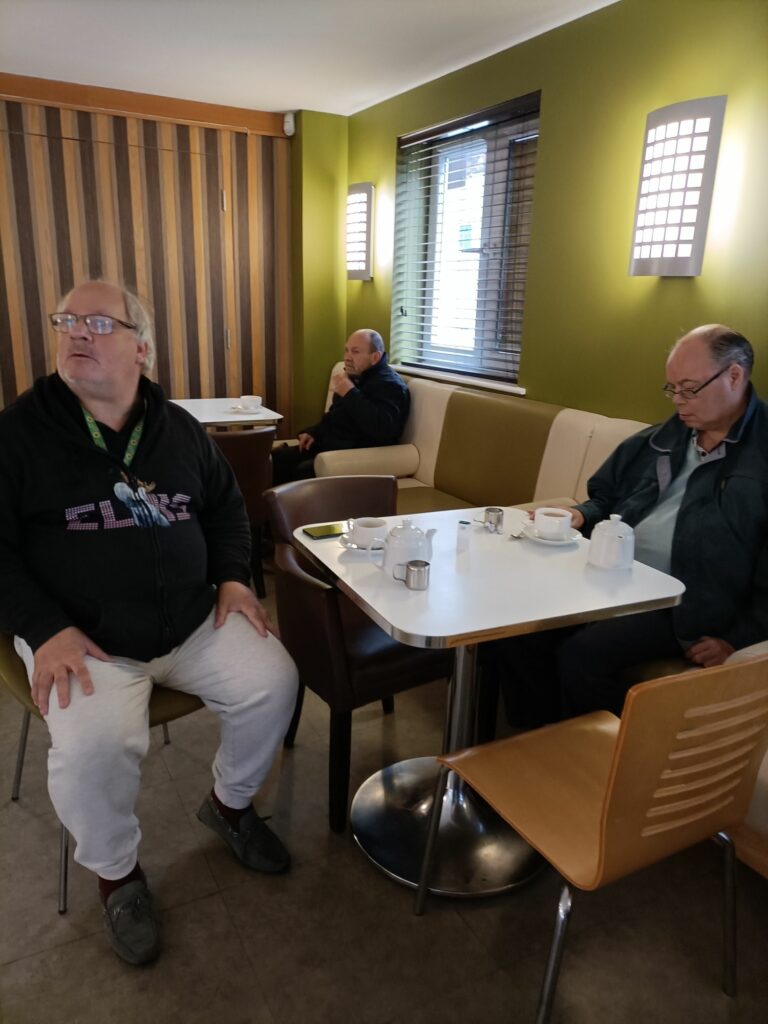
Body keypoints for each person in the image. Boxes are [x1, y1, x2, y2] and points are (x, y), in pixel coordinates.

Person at [0, 281, 299, 966]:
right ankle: (118, 875)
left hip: (191, 620)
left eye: (99, 322)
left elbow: (227, 508)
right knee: (94, 747)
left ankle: (229, 806)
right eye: (67, 320)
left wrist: (233, 577)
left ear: (142, 349)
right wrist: (43, 628)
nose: (77, 331)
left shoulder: (179, 429)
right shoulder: (18, 434)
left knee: (274, 680)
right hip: (83, 638)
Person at [483, 324, 768, 727]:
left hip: (683, 603)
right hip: (611, 575)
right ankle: (536, 741)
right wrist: (582, 514)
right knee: (511, 631)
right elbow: (607, 497)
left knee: (582, 657)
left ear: (735, 376)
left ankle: (596, 755)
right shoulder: (663, 438)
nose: (678, 402)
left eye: (689, 389)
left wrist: (737, 638)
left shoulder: (760, 456)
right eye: (671, 389)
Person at [271, 328, 410, 484]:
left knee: (304, 470)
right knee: (276, 459)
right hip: (332, 445)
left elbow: (382, 429)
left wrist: (350, 393)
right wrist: (314, 432)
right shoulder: (354, 377)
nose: (347, 357)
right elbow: (335, 418)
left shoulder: (390, 386)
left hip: (356, 455)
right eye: (346, 350)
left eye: (355, 352)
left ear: (375, 357)